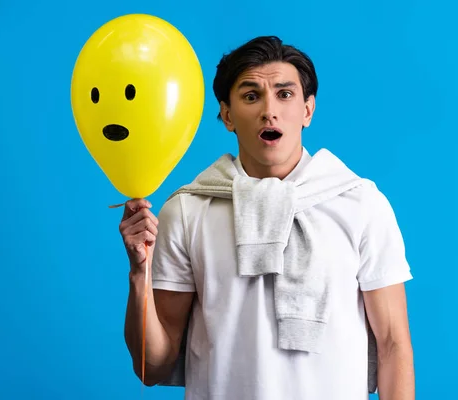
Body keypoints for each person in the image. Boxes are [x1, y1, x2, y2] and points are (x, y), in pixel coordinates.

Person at [121, 35, 415, 400]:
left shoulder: (360, 204)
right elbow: (153, 367)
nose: (269, 110)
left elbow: (393, 345)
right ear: (227, 115)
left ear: (308, 110)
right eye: (250, 95)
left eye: (285, 94)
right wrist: (139, 274)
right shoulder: (186, 211)